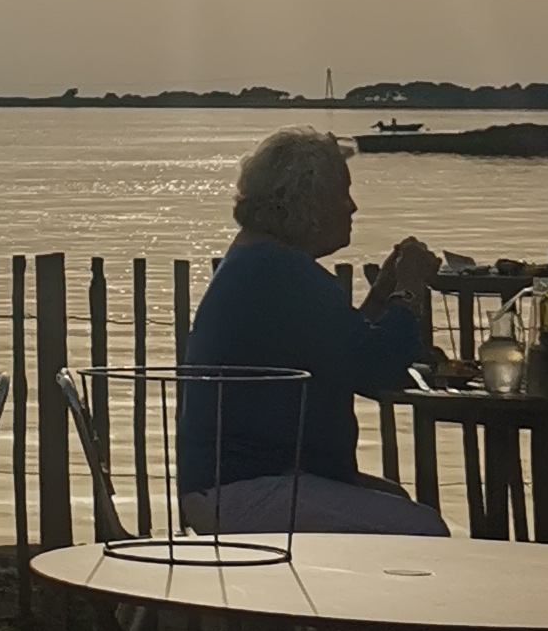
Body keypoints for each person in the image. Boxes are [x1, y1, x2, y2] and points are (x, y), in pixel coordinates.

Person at [178, 129, 447, 535]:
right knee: (424, 530)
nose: (353, 206)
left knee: (397, 502)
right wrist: (410, 288)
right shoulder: (281, 272)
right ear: (308, 201)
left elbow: (344, 352)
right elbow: (378, 367)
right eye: (342, 193)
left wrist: (381, 296)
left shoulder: (263, 262)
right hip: (246, 487)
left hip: (233, 482)